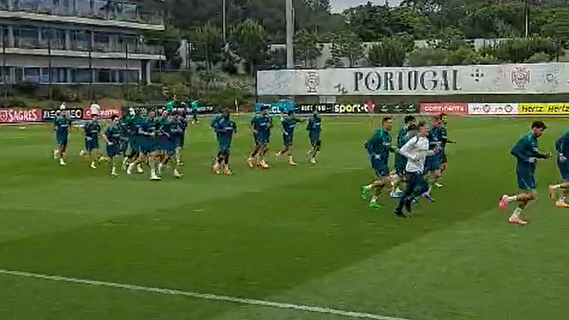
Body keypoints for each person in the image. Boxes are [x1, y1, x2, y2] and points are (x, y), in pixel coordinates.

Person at [499, 121, 551, 225]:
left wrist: (543, 156)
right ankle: (507, 199)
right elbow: (514, 151)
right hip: (524, 170)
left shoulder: (534, 140)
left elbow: (533, 153)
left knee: (527, 195)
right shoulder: (526, 139)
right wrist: (526, 159)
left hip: (530, 170)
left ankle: (515, 216)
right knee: (532, 195)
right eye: (541, 130)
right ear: (535, 128)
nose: (542, 133)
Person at [394, 122, 438, 217]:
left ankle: (398, 209)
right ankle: (409, 200)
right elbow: (402, 150)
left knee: (408, 191)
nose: (428, 130)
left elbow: (424, 153)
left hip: (419, 168)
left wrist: (433, 152)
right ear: (420, 129)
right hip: (412, 169)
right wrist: (412, 157)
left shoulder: (425, 140)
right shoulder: (415, 140)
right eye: (426, 128)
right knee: (424, 186)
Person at [361, 116, 395, 209]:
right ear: (384, 124)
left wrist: (393, 150)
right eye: (389, 123)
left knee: (383, 183)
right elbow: (368, 144)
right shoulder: (379, 134)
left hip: (384, 161)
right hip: (377, 161)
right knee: (387, 180)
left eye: (391, 123)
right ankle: (366, 188)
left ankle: (373, 201)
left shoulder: (387, 136)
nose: (391, 125)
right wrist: (372, 154)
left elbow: (387, 147)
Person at [391, 115, 417, 198]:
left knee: (404, 174)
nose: (415, 123)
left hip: (405, 155)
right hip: (402, 156)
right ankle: (393, 190)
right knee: (401, 175)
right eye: (413, 121)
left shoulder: (407, 131)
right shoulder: (404, 131)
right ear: (409, 122)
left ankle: (398, 188)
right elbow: (403, 143)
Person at [211, 108, 237, 174]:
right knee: (225, 151)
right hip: (221, 138)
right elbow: (215, 128)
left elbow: (234, 128)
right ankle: (221, 166)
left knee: (225, 152)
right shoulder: (219, 120)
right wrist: (222, 130)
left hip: (228, 138)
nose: (226, 114)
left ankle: (220, 164)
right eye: (224, 113)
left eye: (227, 113)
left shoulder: (231, 122)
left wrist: (234, 130)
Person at [158, 111, 183, 178]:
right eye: (176, 116)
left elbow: (180, 130)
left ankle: (162, 165)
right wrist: (166, 133)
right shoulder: (168, 122)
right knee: (171, 156)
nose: (177, 118)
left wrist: (179, 131)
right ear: (172, 116)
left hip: (174, 141)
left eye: (177, 116)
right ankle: (174, 171)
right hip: (168, 141)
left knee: (171, 156)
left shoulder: (178, 122)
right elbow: (161, 129)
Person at [548, 130, 569, 208]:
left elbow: (558, 142)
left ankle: (561, 201)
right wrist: (561, 154)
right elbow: (559, 142)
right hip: (565, 161)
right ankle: (554, 187)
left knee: (567, 182)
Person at [436, 113, 454, 188]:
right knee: (440, 165)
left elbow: (444, 139)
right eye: (444, 118)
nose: (445, 119)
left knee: (443, 166)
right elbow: (443, 139)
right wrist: (450, 141)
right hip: (438, 149)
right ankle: (433, 181)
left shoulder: (443, 127)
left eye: (446, 118)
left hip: (441, 149)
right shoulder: (440, 128)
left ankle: (435, 179)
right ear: (440, 119)